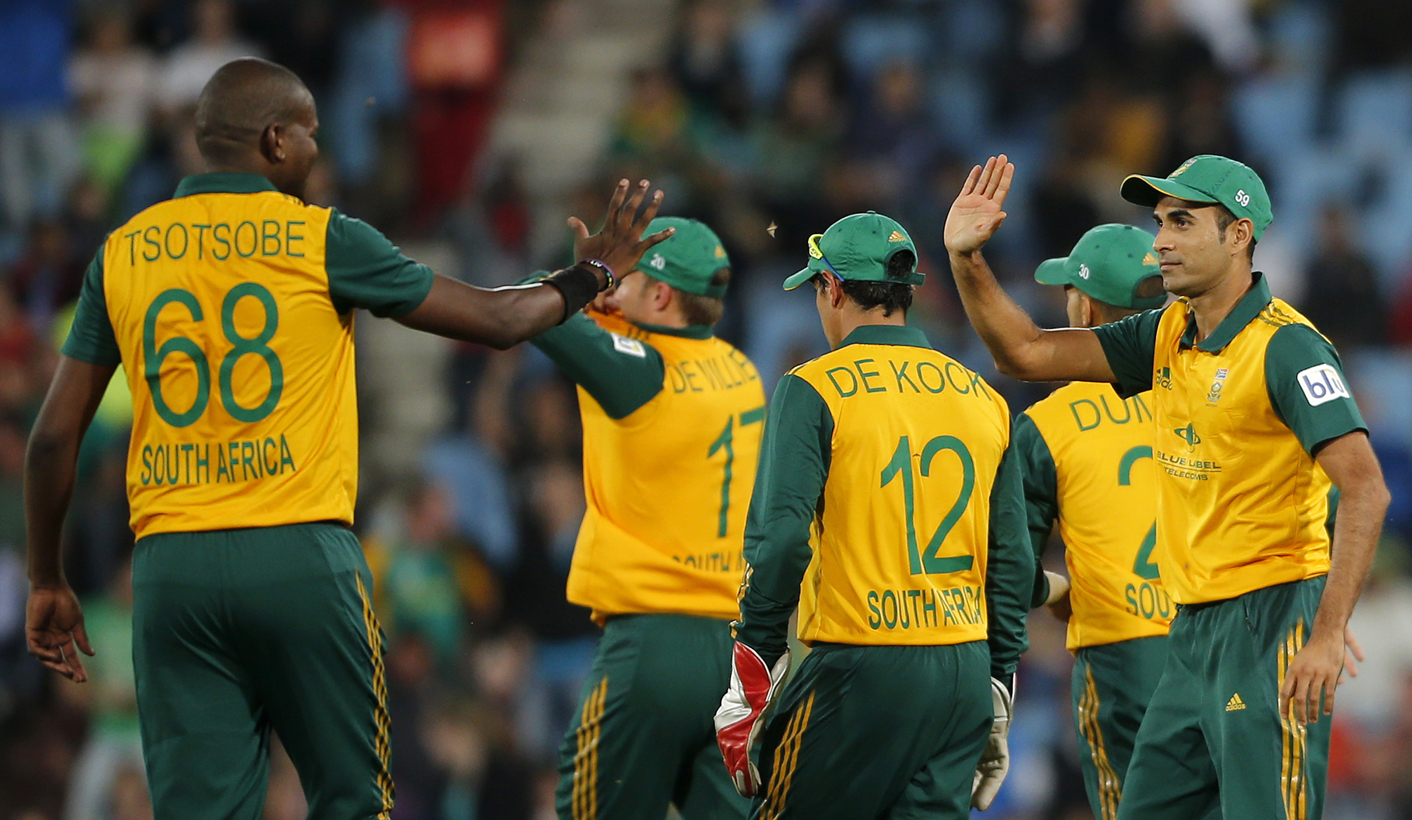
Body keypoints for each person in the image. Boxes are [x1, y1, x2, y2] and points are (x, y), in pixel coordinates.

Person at [24, 57, 672, 820]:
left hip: (173, 568)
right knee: (354, 802)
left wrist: (46, 576)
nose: (317, 153)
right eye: (310, 135)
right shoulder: (320, 238)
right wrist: (592, 273)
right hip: (300, 555)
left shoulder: (123, 253)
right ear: (274, 142)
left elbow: (51, 438)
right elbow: (500, 320)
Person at [944, 154, 1390, 820]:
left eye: (1182, 221)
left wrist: (1324, 630)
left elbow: (1366, 490)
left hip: (1266, 624)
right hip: (1191, 630)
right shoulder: (1169, 332)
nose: (1162, 241)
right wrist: (967, 261)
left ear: (1239, 234)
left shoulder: (1286, 347)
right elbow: (1028, 352)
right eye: (1159, 222)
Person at [714, 213, 1032, 818]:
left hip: (860, 667)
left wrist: (752, 668)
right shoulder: (984, 397)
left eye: (816, 288)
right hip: (962, 670)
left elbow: (780, 542)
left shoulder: (813, 386)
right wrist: (997, 682)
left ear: (832, 288)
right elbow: (1011, 560)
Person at [527, 217, 763, 820]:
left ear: (660, 296)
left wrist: (580, 279)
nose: (612, 283)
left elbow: (534, 305)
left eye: (625, 276)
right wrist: (609, 297)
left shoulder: (639, 371)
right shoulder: (742, 371)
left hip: (654, 644)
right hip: (734, 651)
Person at [1013, 224, 1177, 820]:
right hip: (1220, 645)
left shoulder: (1048, 423)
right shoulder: (1214, 396)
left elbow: (1011, 571)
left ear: (1081, 305)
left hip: (1122, 654)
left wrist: (1060, 590)